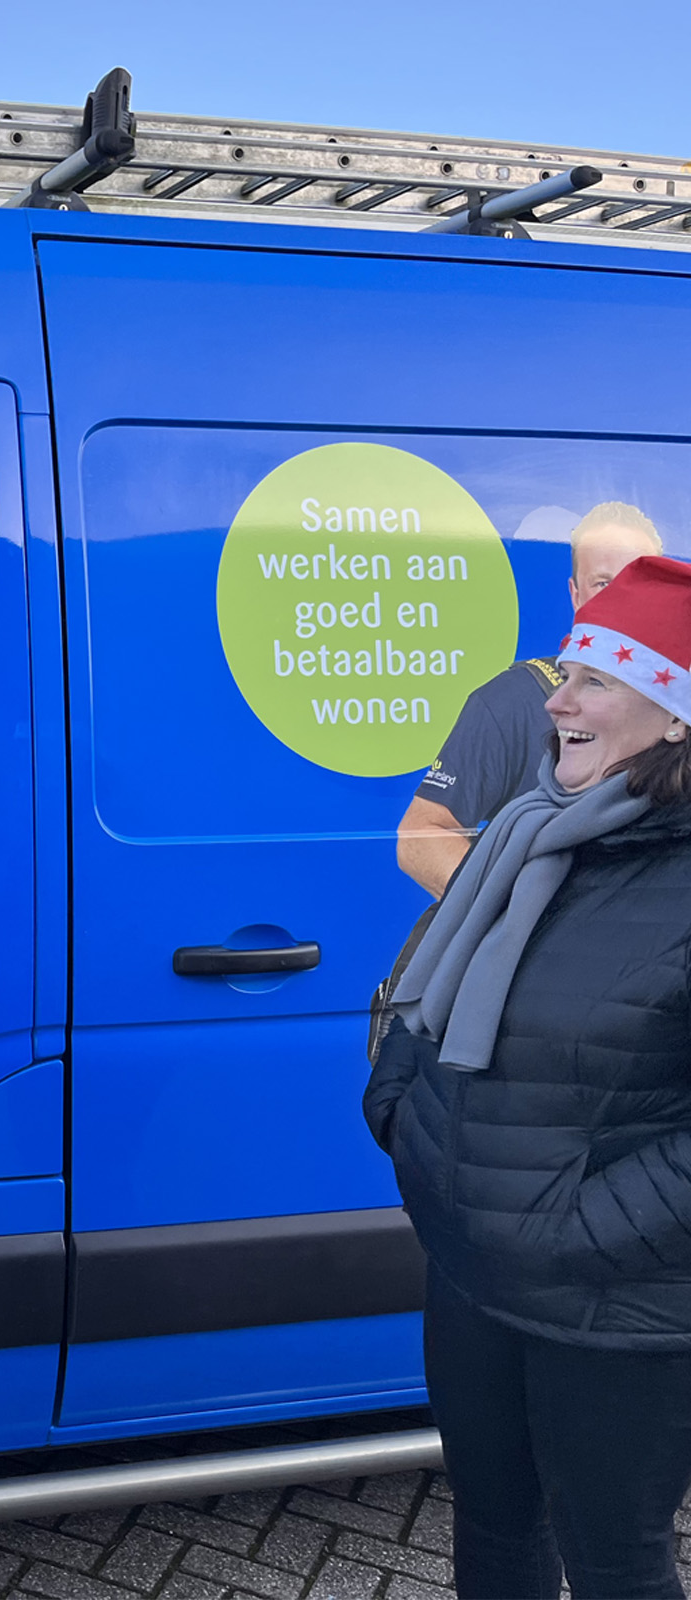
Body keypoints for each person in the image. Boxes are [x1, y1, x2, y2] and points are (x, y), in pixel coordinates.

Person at [366, 553, 691, 1599]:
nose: (558, 700)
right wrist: (406, 1118)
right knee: (495, 1531)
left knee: (614, 1565)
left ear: (675, 717)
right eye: (568, 672)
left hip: (612, 1305)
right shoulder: (529, 832)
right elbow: (431, 988)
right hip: (474, 1269)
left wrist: (569, 1228)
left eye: (596, 680)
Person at [397, 501, 663, 896]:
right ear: (576, 595)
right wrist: (511, 912)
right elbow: (421, 834)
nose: (622, 600)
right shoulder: (516, 699)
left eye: (637, 583)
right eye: (603, 584)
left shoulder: (679, 706)